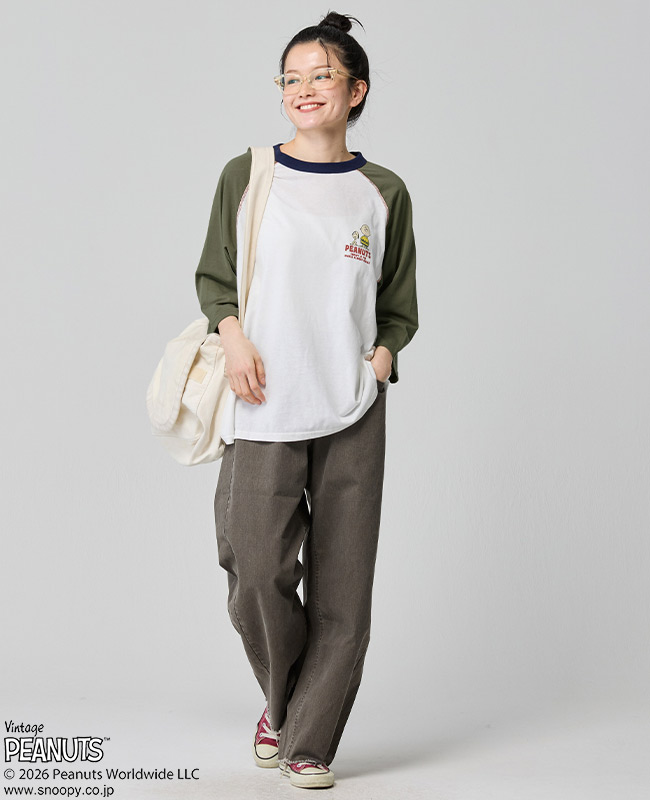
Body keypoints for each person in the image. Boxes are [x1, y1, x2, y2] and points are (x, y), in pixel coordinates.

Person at [194, 11, 418, 790]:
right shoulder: (250, 174)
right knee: (254, 567)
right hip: (263, 397)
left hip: (353, 407)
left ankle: (309, 743)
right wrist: (233, 337)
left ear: (356, 91)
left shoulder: (382, 192)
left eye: (320, 75)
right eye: (291, 77)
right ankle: (285, 702)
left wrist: (381, 361)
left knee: (344, 588)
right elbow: (216, 276)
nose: (302, 88)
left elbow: (398, 304)